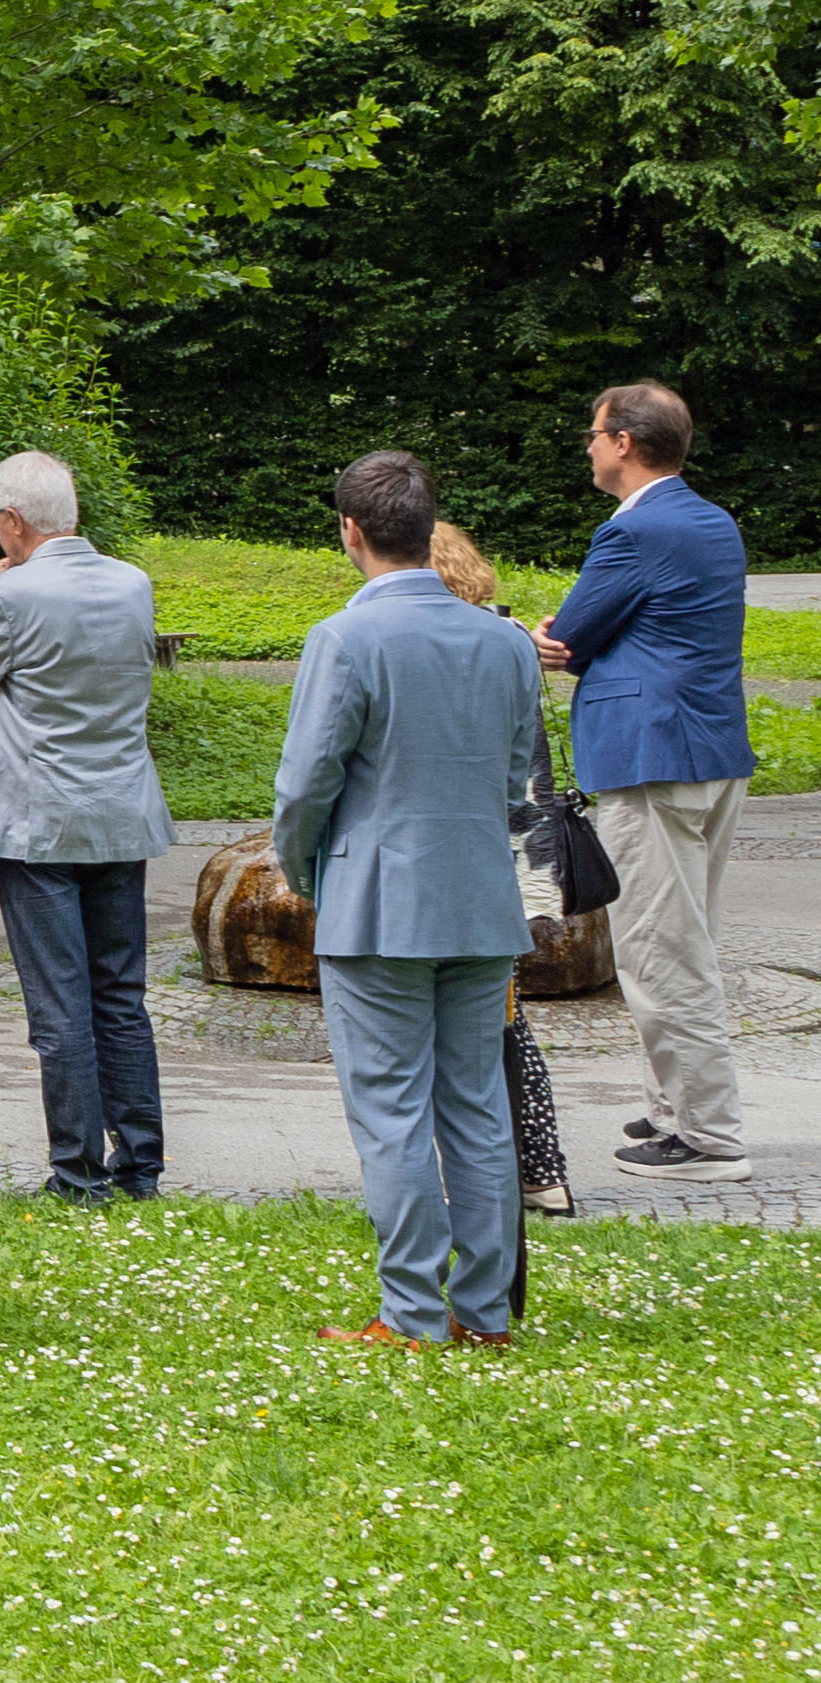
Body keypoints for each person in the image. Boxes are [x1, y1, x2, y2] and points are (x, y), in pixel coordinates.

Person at [273, 452, 538, 1348]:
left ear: (351, 531)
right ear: (429, 525)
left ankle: (415, 1314)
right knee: (475, 1104)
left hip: (377, 901)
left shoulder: (345, 638)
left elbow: (306, 786)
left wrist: (307, 872)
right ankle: (486, 1311)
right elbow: (514, 780)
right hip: (480, 898)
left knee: (390, 1109)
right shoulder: (504, 641)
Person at [0, 451, 174, 1203]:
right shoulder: (134, 584)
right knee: (120, 993)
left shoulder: (8, 594)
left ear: (11, 521)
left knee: (60, 1002)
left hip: (35, 819)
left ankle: (77, 1172)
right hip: (120, 812)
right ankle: (141, 1166)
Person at [537, 382, 756, 1183]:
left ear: (625, 440)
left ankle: (708, 1135)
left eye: (593, 433)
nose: (587, 446)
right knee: (684, 934)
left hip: (649, 757)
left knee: (663, 950)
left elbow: (570, 635)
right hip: (710, 752)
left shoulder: (631, 532)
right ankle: (673, 1104)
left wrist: (546, 639)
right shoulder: (710, 520)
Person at [431, 523, 576, 1218]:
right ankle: (538, 1168)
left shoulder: (429, 640)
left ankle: (511, 1169)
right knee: (503, 1019)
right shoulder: (511, 639)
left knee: (481, 1023)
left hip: (460, 862)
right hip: (511, 858)